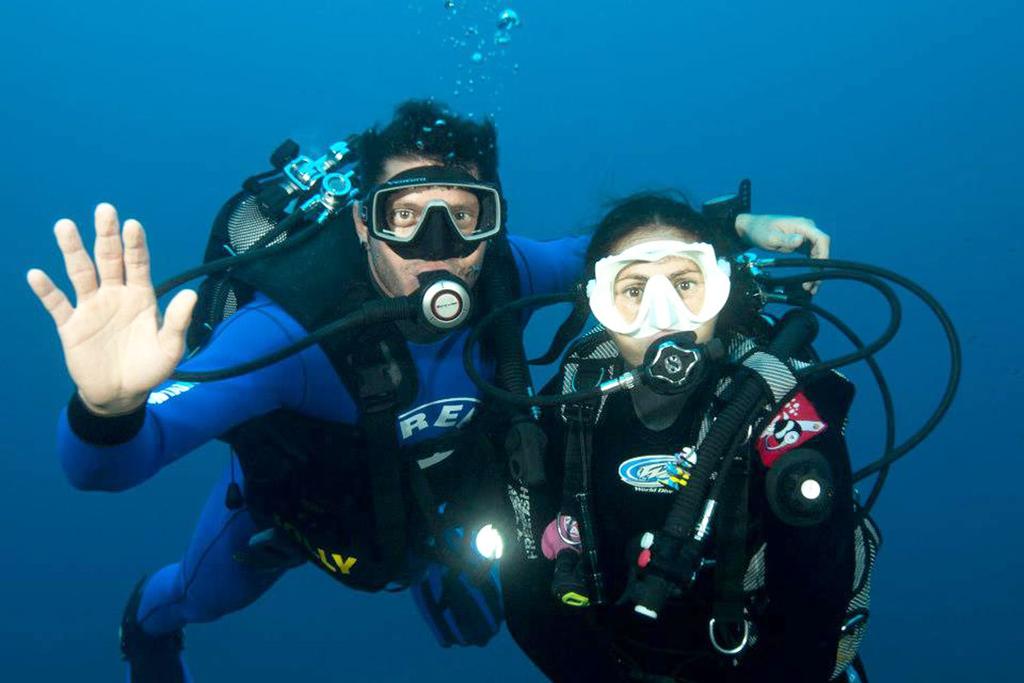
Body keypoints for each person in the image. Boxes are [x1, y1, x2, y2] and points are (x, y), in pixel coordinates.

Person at [26, 101, 833, 682]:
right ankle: (148, 619)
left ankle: (435, 565)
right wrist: (107, 405)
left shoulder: (509, 270)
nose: (440, 248)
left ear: (493, 221)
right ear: (361, 224)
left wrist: (731, 227)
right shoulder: (286, 335)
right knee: (202, 597)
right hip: (303, 514)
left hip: (447, 502)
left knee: (497, 591)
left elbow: (614, 251)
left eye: (465, 214)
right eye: (406, 215)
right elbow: (106, 470)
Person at [500, 193, 868, 682]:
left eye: (684, 283)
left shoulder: (778, 405)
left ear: (720, 287)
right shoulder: (573, 400)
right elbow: (525, 593)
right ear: (598, 304)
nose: (663, 315)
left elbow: (813, 608)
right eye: (632, 291)